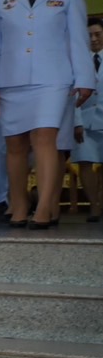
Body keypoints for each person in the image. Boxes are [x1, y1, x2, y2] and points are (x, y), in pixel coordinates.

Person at [0, 0, 95, 229]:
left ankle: (44, 207)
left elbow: (78, 41)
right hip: (11, 80)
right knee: (15, 144)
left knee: (45, 139)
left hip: (53, 78)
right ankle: (19, 205)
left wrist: (85, 78)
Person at [77, 17, 103, 221]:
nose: (93, 39)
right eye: (89, 35)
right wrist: (76, 121)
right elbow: (71, 94)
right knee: (85, 162)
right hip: (84, 120)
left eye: (97, 34)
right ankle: (94, 206)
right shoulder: (77, 60)